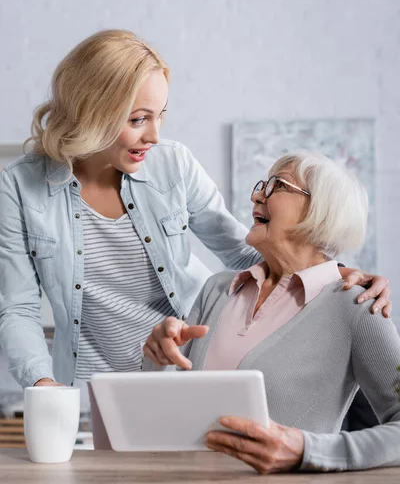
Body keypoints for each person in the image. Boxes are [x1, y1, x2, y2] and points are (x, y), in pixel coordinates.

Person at [0, 30, 391, 391]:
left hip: (183, 379)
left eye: (160, 116)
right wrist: (42, 387)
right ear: (91, 111)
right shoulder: (20, 186)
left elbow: (242, 250)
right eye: (138, 119)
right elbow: (17, 308)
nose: (154, 136)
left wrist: (336, 274)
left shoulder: (174, 166)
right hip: (86, 394)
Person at [143, 152, 400, 473]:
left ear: (320, 210)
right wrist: (157, 357)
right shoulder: (218, 289)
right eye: (262, 184)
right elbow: (165, 407)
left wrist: (309, 450)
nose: (256, 195)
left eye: (277, 186)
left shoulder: (359, 308)